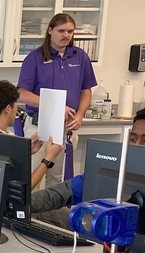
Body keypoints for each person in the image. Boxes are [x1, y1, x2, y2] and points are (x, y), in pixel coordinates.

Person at [31, 105, 145, 213]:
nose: (136, 145)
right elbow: (57, 195)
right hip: (99, 235)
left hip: (140, 250)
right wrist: (17, 202)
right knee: (39, 215)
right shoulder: (114, 169)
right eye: (133, 139)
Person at [16, 13, 98, 178]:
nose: (66, 35)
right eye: (61, 31)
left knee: (59, 178)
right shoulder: (35, 58)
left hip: (67, 126)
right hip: (39, 126)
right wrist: (56, 106)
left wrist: (80, 115)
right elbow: (21, 94)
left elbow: (86, 90)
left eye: (70, 31)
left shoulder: (80, 56)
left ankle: (57, 206)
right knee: (34, 175)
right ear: (50, 31)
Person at [0, 79, 63, 190]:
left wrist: (23, 152)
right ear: (8, 109)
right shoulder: (9, 142)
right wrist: (49, 158)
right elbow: (24, 189)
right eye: (16, 105)